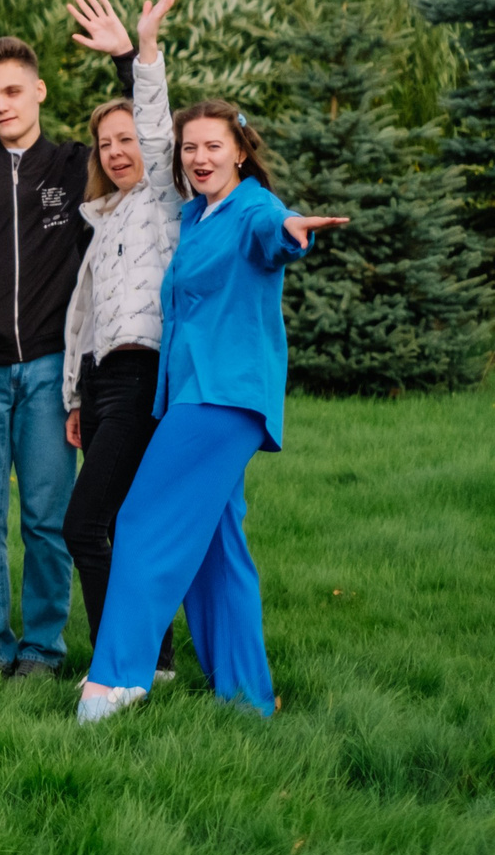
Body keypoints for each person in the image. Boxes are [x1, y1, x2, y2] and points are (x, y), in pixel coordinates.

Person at [76, 104, 347, 723]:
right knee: (217, 551)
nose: (200, 158)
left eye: (212, 147)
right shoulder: (197, 216)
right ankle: (248, 700)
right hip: (194, 392)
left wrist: (291, 231)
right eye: (189, 149)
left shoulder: (252, 208)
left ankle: (115, 679)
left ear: (241, 152)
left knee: (143, 519)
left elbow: (272, 232)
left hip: (224, 395)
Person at [0, 2, 137, 680]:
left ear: (39, 89)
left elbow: (151, 144)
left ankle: (43, 648)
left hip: (50, 370)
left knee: (47, 519)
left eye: (13, 91)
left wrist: (129, 62)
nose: (1, 105)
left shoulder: (78, 167)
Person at [61, 0, 186, 676]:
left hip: (143, 378)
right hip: (105, 384)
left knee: (85, 524)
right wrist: (76, 399)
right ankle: (155, 660)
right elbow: (84, 322)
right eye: (105, 142)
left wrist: (135, 54)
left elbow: (161, 126)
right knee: (120, 525)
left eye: (126, 138)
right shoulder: (102, 221)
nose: (116, 150)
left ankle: (122, 658)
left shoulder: (163, 201)